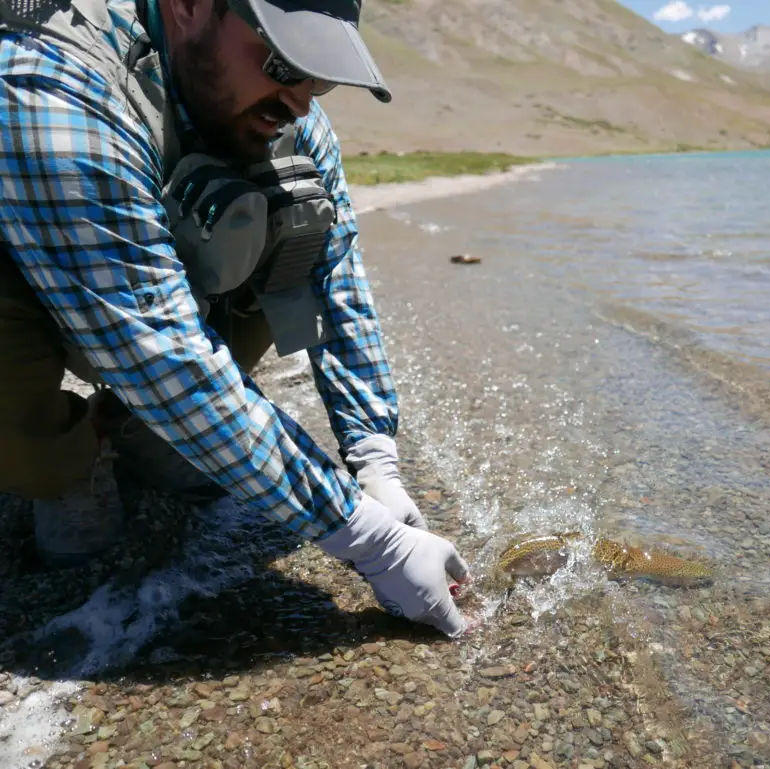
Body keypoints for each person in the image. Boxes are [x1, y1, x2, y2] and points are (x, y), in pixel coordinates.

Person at [0, 0, 472, 637]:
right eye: (283, 61)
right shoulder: (50, 86)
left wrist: (373, 459)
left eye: (319, 74)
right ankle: (61, 463)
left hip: (140, 304)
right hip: (34, 287)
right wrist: (368, 541)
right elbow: (163, 357)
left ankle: (151, 432)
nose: (300, 101)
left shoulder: (289, 111)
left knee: (297, 214)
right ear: (188, 7)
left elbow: (336, 280)